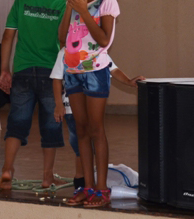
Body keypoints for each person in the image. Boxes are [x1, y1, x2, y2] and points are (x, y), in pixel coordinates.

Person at [0, 0, 67, 192]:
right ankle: (47, 177)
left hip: (22, 73)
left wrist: (4, 69)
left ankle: (7, 169)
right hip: (52, 76)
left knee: (17, 122)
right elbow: (64, 40)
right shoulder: (64, 7)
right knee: (51, 125)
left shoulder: (21, 2)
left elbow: (7, 37)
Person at [58, 0, 121, 208]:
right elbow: (62, 38)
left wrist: (84, 11)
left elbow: (104, 40)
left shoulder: (107, 2)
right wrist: (69, 5)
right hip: (73, 72)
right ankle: (86, 186)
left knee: (96, 129)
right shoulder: (77, 0)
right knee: (80, 130)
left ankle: (102, 189)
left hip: (95, 72)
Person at [51, 53, 144, 197]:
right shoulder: (65, 52)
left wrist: (128, 81)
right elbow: (57, 78)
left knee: (95, 133)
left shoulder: (96, 50)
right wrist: (58, 104)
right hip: (71, 109)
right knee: (80, 139)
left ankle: (100, 187)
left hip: (92, 103)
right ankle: (84, 183)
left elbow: (112, 68)